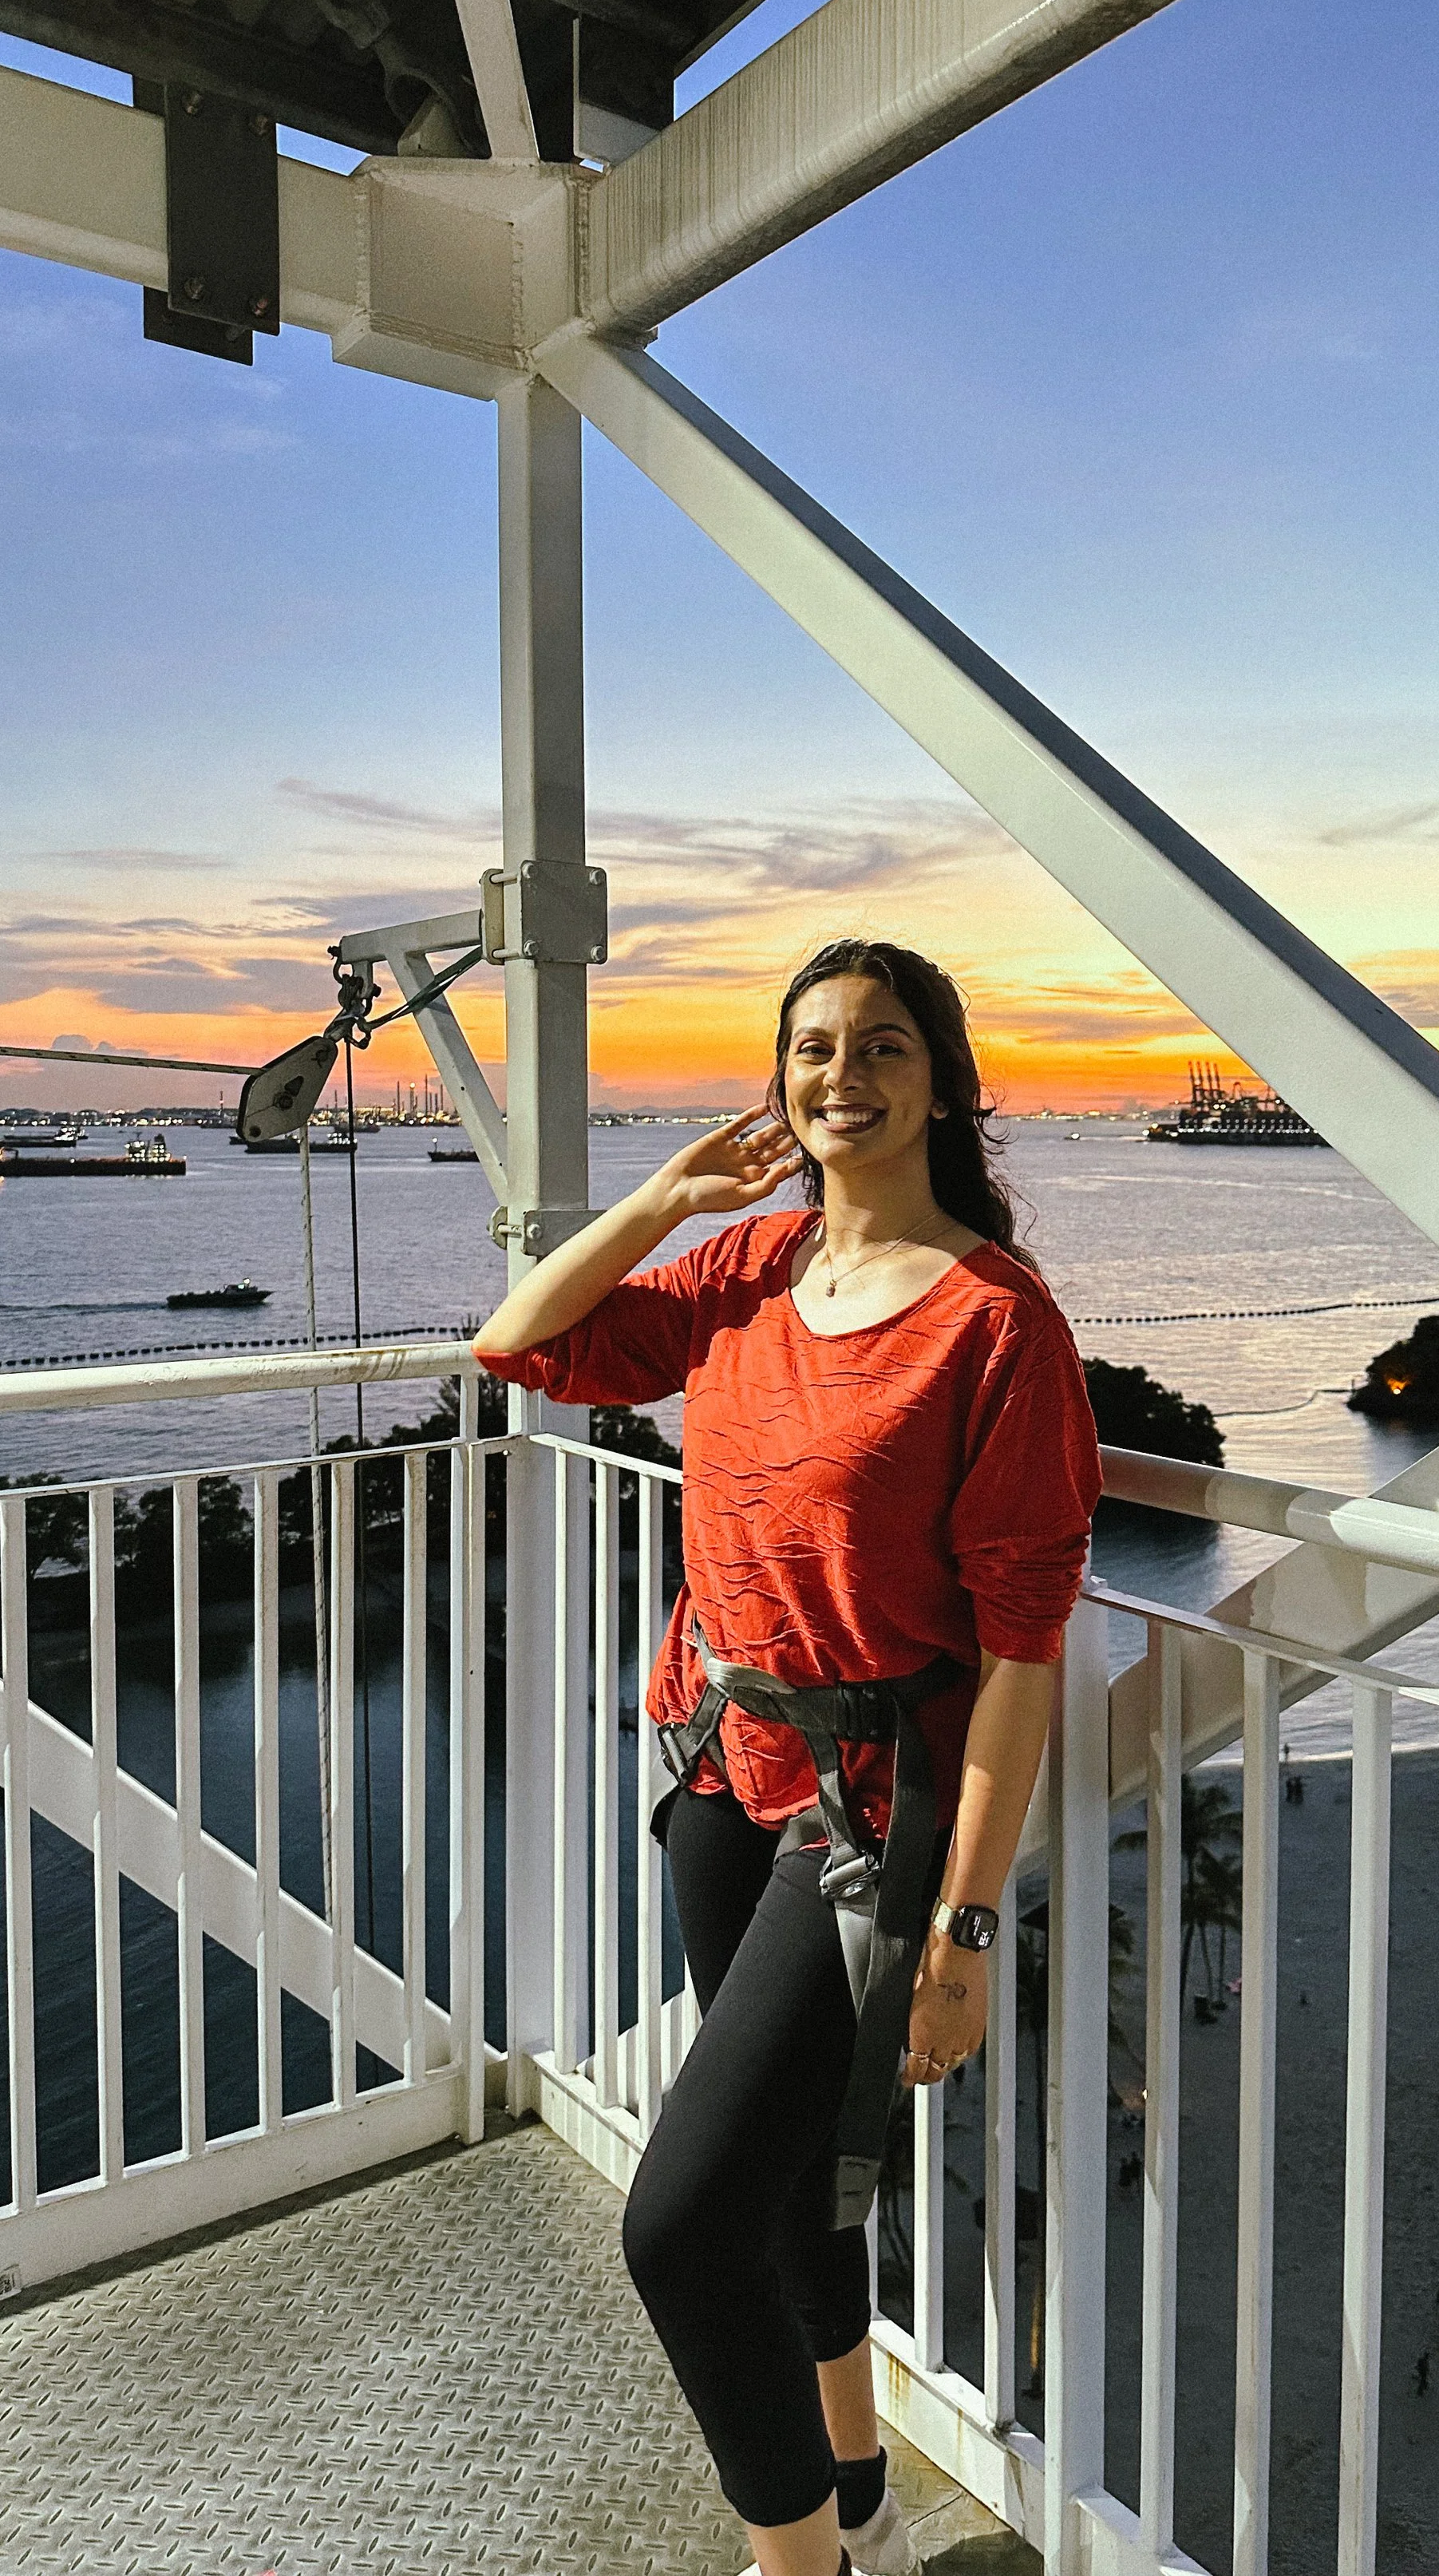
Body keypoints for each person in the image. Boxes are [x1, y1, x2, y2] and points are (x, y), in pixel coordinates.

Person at [473, 940, 1101, 2576]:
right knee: (793, 2191)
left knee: (678, 2231)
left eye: (883, 1046)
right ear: (780, 1080)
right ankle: (865, 2502)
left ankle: (799, 2563)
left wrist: (959, 1931)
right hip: (713, 1769)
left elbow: (1020, 1654)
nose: (843, 1075)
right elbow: (517, 1344)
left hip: (864, 1821)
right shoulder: (742, 1267)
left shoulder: (993, 1324)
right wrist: (663, 1203)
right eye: (813, 1047)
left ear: (946, 1083)